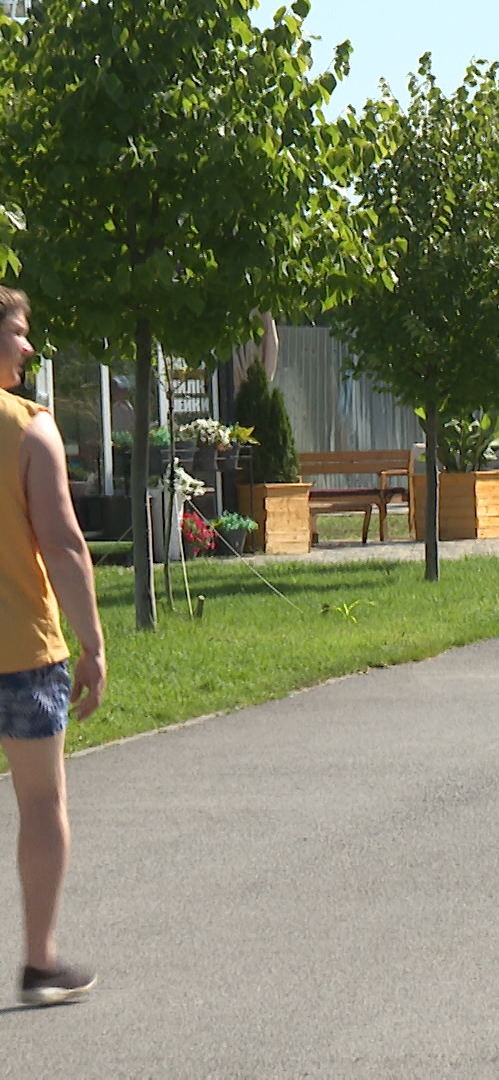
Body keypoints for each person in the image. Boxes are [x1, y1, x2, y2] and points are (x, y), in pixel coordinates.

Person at [0, 286, 105, 1006]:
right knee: (40, 799)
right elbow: (64, 544)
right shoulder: (30, 430)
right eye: (18, 331)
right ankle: (40, 963)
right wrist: (93, 644)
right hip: (21, 652)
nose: (28, 347)